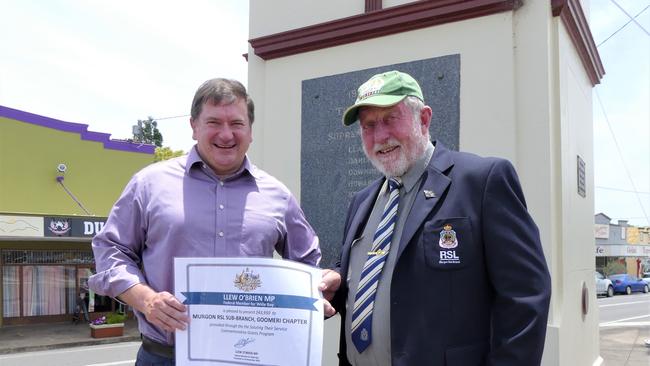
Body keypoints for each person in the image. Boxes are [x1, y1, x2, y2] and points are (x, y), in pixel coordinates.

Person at [320, 70, 551, 366]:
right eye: (369, 126)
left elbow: (526, 298)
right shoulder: (362, 201)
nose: (380, 136)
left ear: (424, 119)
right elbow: (371, 274)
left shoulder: (481, 182)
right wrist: (338, 280)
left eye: (391, 118)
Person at [89, 78, 321, 365]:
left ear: (250, 131)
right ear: (193, 126)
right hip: (165, 357)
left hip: (251, 356)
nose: (226, 134)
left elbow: (307, 262)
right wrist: (145, 299)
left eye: (237, 123)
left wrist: (309, 296)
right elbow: (110, 250)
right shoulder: (149, 184)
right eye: (214, 122)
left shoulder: (278, 195)